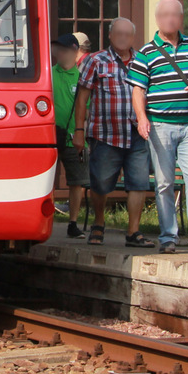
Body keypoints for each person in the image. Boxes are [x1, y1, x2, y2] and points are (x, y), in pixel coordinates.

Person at [128, 0, 188, 255]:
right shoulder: (146, 52)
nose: (170, 20)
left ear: (181, 18)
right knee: (164, 182)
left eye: (175, 15)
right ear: (158, 19)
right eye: (165, 15)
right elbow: (138, 90)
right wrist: (142, 118)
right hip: (160, 125)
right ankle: (168, 236)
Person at [71, 19, 153, 247]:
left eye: (127, 34)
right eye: (118, 33)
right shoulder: (96, 60)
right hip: (106, 133)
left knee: (138, 183)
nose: (123, 37)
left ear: (133, 38)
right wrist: (79, 130)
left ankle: (133, 232)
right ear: (110, 35)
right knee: (101, 183)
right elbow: (82, 99)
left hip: (137, 133)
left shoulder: (143, 61)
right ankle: (99, 223)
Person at [51, 33, 91, 238]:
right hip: (49, 137)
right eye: (57, 48)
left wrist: (81, 133)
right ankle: (46, 217)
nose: (59, 52)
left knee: (77, 181)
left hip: (74, 138)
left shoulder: (83, 79)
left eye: (64, 48)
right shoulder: (48, 74)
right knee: (47, 179)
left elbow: (89, 109)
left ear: (75, 51)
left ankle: (73, 223)